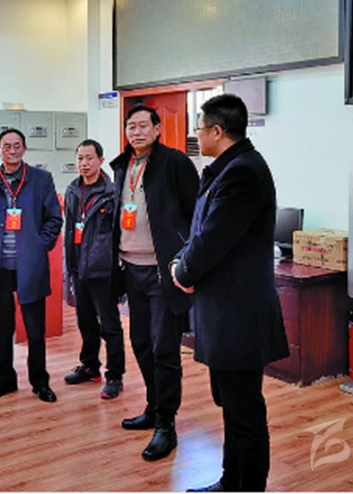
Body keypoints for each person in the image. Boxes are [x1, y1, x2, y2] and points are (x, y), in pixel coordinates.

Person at [171, 94, 289, 492]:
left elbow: (213, 240)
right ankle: (230, 481)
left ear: (218, 131)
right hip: (224, 310)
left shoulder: (242, 173)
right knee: (232, 406)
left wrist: (183, 269)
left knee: (245, 411)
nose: (197, 136)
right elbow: (201, 232)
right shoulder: (227, 169)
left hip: (238, 313)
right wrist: (182, 261)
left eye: (199, 129)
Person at [110, 104, 198, 461]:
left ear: (158, 129)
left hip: (163, 271)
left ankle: (166, 424)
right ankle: (153, 405)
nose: (137, 132)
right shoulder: (122, 166)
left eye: (143, 125)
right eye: (131, 126)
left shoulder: (175, 163)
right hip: (131, 268)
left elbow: (195, 216)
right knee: (141, 343)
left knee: (165, 349)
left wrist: (186, 261)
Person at [0, 128, 62, 403]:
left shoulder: (41, 179)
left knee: (35, 329)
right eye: (6, 146)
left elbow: (54, 219)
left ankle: (40, 382)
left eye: (17, 146)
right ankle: (4, 380)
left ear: (24, 149)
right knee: (2, 327)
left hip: (30, 265)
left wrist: (39, 246)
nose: (12, 151)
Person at [63, 139, 125, 399]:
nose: (84, 163)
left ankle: (115, 375)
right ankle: (90, 366)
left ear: (101, 160)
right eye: (80, 158)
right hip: (79, 268)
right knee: (85, 322)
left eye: (89, 158)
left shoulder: (112, 192)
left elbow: (119, 233)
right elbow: (69, 230)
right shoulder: (72, 190)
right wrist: (69, 268)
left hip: (103, 270)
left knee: (110, 326)